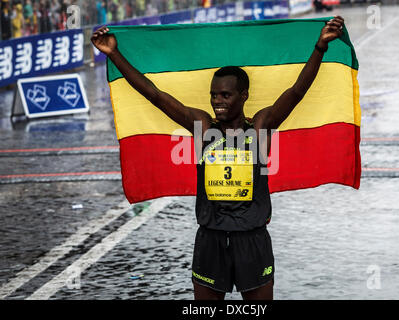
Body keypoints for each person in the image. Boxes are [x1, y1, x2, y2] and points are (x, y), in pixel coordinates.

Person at [91, 16, 345, 300]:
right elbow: (155, 95)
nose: (217, 101)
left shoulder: (260, 127)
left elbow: (297, 91)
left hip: (252, 238)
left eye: (225, 95)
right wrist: (114, 53)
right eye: (214, 95)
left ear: (244, 95)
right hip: (210, 238)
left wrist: (320, 47)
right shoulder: (202, 126)